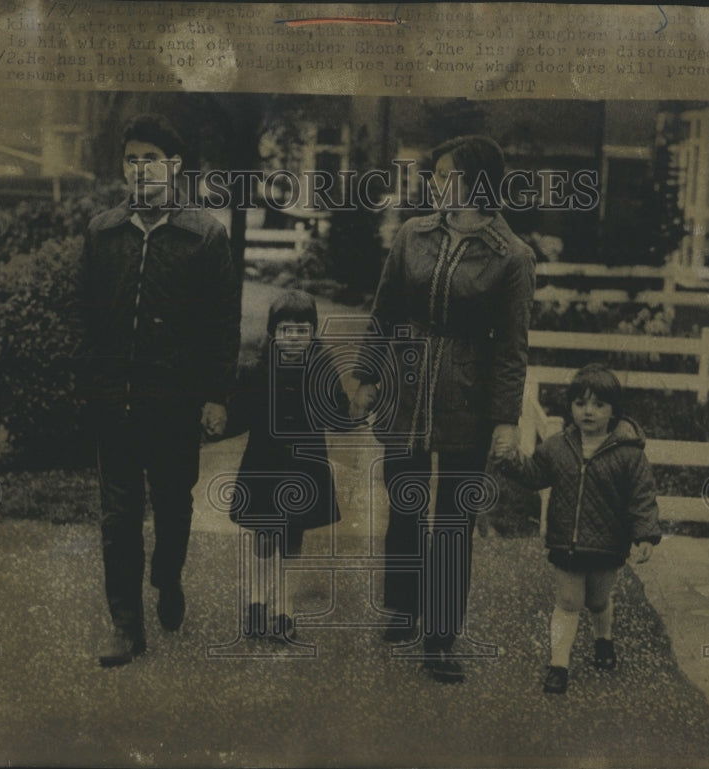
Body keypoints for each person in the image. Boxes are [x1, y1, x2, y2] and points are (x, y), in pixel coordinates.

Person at [349, 135, 536, 683]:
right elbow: (384, 311)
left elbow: (511, 347)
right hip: (406, 389)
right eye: (435, 174)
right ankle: (404, 608)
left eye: (446, 174)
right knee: (404, 503)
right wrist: (364, 376)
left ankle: (441, 637)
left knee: (453, 520)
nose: (436, 184)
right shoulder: (413, 234)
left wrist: (504, 420)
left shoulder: (513, 257)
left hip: (466, 399)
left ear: (478, 181)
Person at [77, 113, 240, 667]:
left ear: (174, 167)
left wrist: (216, 395)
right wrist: (88, 386)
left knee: (173, 508)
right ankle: (126, 627)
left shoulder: (205, 236)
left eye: (151, 159)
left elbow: (223, 324)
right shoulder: (103, 233)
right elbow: (88, 318)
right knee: (118, 517)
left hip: (172, 407)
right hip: (114, 403)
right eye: (132, 159)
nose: (140, 169)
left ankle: (168, 577)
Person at [493, 364, 662, 694]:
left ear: (613, 410)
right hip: (566, 543)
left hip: (608, 545)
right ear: (570, 406)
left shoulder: (628, 453)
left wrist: (644, 535)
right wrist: (510, 460)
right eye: (581, 403)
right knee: (569, 601)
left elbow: (642, 497)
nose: (589, 411)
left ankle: (604, 640)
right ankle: (558, 664)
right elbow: (534, 473)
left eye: (599, 405)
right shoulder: (559, 447)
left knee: (598, 600)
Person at [226, 291, 353, 642]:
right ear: (273, 333)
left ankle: (285, 607)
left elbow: (339, 414)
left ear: (313, 333)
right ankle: (255, 601)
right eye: (286, 330)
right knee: (265, 537)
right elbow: (238, 415)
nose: (294, 337)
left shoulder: (323, 368)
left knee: (293, 537)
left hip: (305, 467)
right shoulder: (256, 369)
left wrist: (347, 413)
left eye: (302, 330)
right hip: (263, 464)